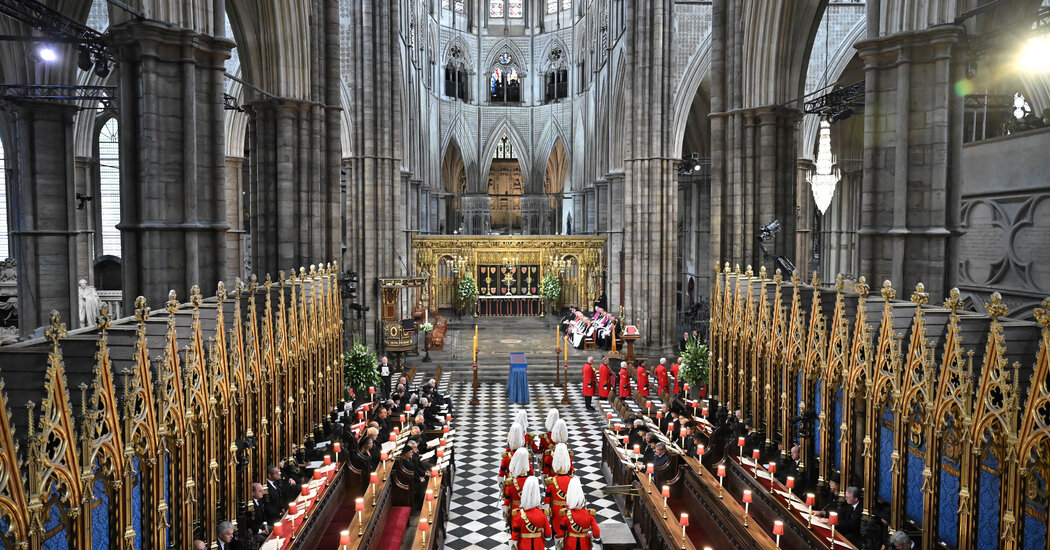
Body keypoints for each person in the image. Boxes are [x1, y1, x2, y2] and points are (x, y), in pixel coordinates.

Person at [509, 477, 553, 550]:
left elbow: (514, 536)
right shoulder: (542, 514)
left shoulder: (519, 514)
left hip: (523, 546)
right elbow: (548, 534)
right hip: (539, 546)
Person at [560, 478, 601, 550]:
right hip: (585, 544)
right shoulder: (589, 515)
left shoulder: (566, 516)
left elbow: (561, 534)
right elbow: (596, 533)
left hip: (570, 545)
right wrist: (593, 536)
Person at [546, 443, 576, 538]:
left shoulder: (551, 482)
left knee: (557, 536)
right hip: (571, 511)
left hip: (556, 512)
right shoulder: (573, 481)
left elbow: (547, 501)